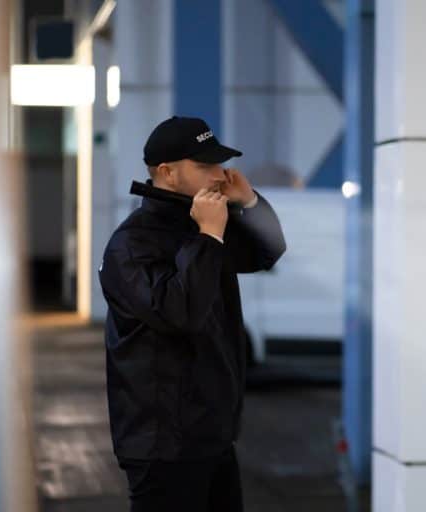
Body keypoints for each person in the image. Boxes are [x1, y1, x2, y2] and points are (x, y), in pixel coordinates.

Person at [98, 116, 287, 511]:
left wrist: (249, 200)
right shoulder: (131, 245)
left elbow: (267, 250)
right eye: (204, 167)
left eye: (219, 164)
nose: (218, 176)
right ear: (166, 172)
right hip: (163, 443)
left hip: (212, 434)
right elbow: (180, 312)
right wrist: (208, 236)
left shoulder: (201, 225)